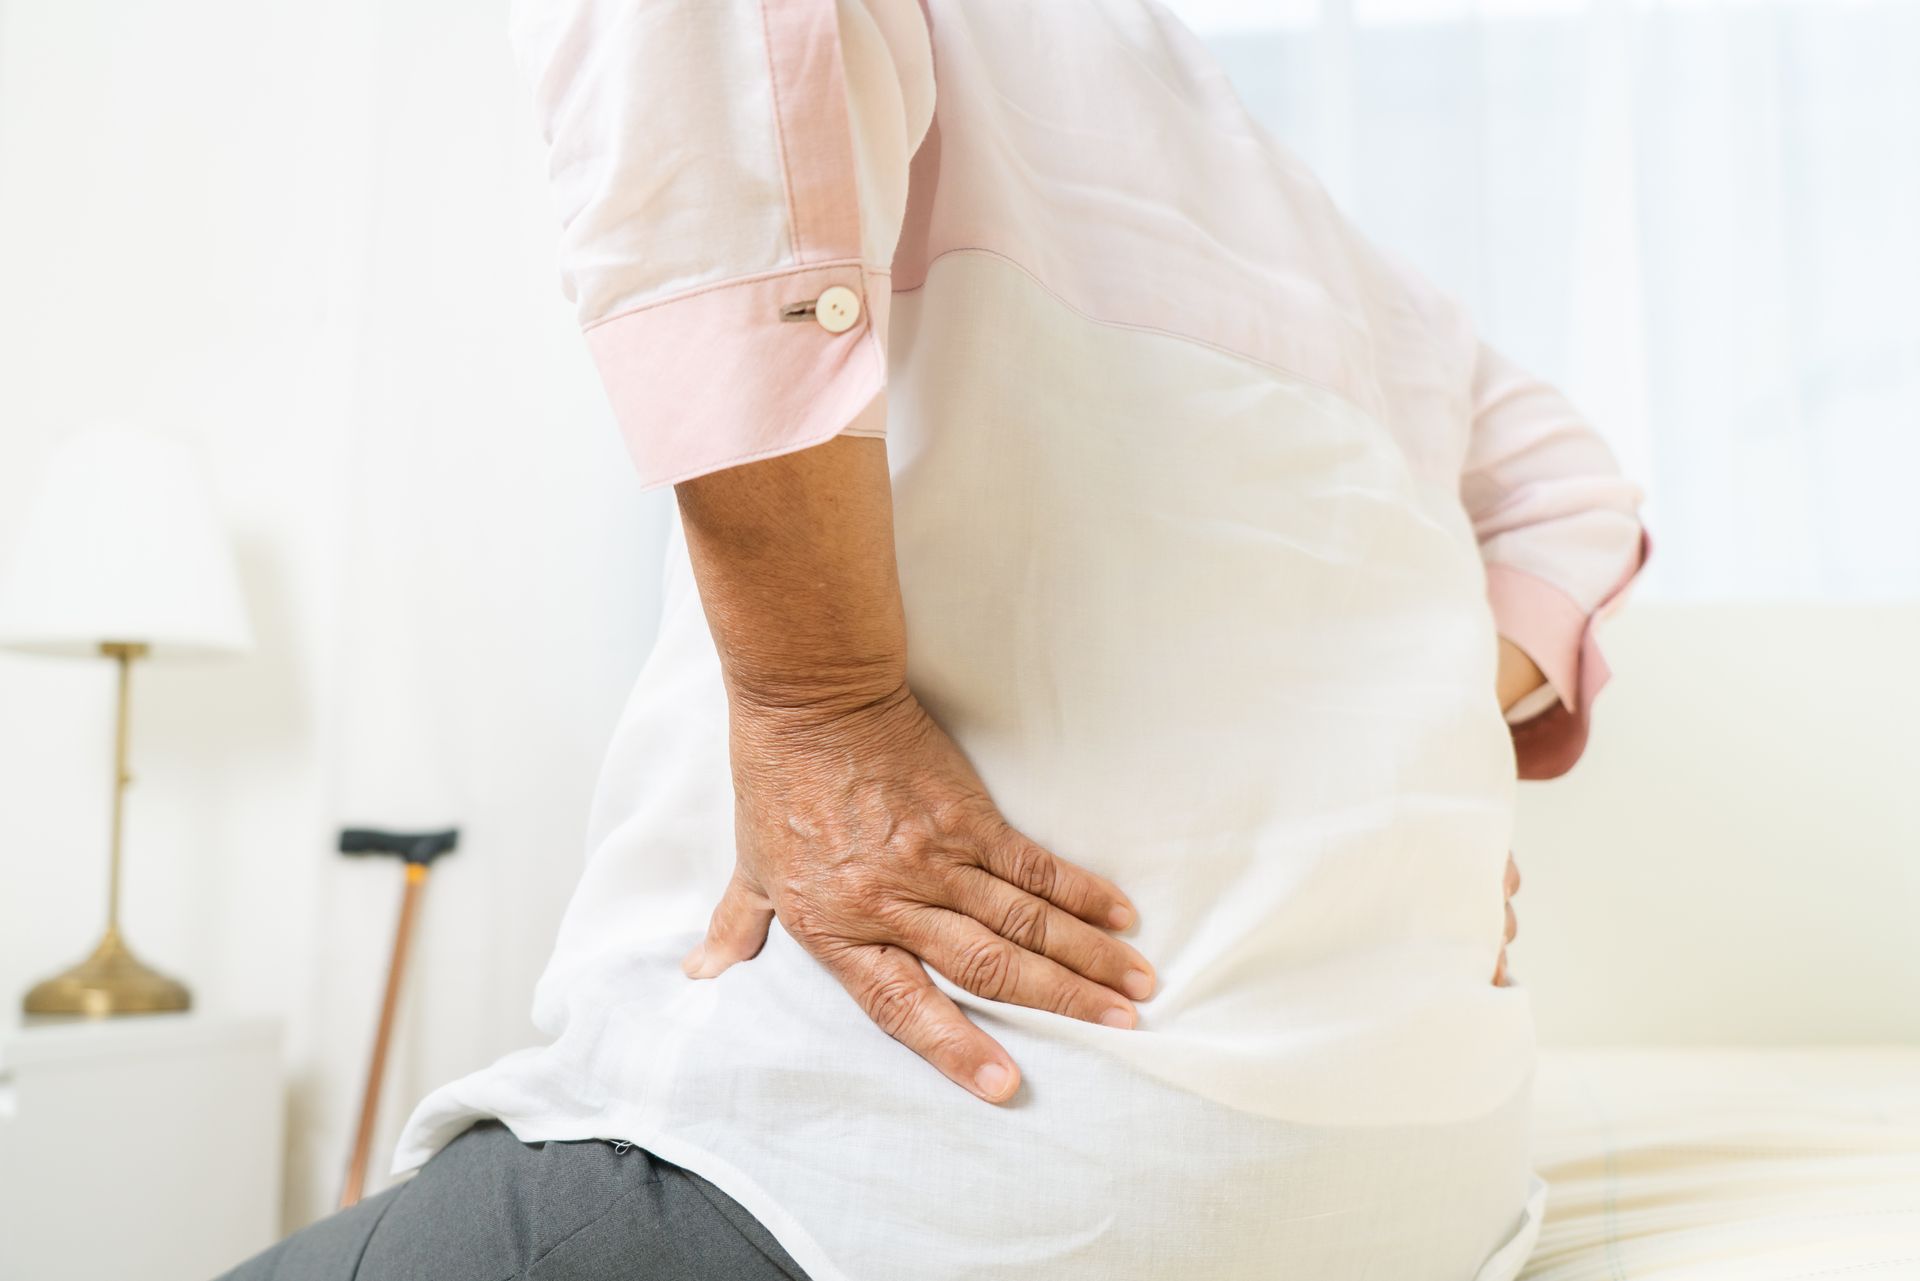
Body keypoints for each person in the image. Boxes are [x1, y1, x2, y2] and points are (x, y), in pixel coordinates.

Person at [221, 0, 1648, 1278]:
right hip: (1426, 1200)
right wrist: (1396, 760)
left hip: (930, 1175)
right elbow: (1576, 495)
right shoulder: (1347, 258)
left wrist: (818, 701)